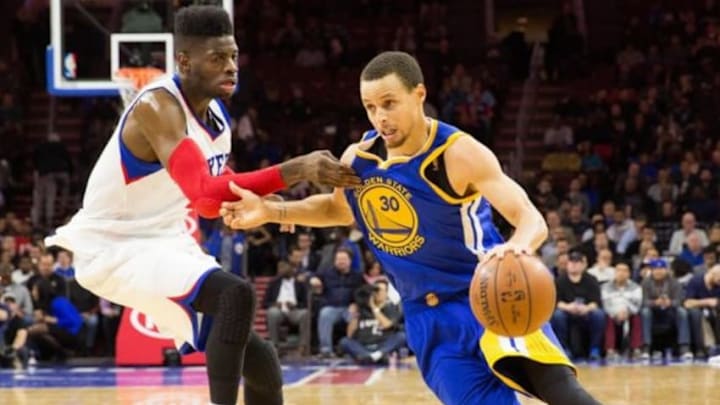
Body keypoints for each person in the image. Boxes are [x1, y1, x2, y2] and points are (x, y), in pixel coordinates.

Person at [221, 51, 599, 405]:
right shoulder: (360, 158)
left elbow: (530, 218)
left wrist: (517, 246)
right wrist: (271, 211)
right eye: (370, 107)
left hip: (487, 296)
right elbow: (337, 210)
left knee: (561, 392)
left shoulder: (456, 152)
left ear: (419, 94)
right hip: (426, 317)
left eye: (389, 103)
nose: (379, 117)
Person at [44, 6, 360, 405]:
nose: (231, 67)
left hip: (165, 237)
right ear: (184, 61)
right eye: (217, 58)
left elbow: (212, 198)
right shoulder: (158, 107)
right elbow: (206, 196)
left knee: (262, 363)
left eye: (233, 56)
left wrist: (259, 196)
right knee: (235, 294)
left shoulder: (217, 117)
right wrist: (295, 169)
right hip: (115, 245)